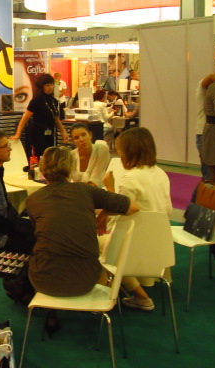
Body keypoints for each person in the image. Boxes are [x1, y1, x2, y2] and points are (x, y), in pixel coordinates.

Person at [26, 146, 139, 334]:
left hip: (42, 280)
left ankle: (48, 311)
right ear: (71, 168)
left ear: (43, 169)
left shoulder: (33, 199)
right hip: (86, 280)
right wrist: (105, 212)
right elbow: (133, 207)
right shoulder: (86, 191)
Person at [103, 127, 172, 311]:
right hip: (161, 241)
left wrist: (109, 189)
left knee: (96, 244)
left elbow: (120, 211)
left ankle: (132, 295)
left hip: (135, 243)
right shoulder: (161, 174)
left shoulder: (131, 179)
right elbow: (167, 210)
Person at [11, 74, 69, 157]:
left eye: (51, 84)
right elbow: (25, 118)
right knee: (40, 156)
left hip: (51, 132)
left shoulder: (54, 101)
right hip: (38, 133)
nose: (50, 87)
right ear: (42, 86)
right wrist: (18, 134)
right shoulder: (36, 101)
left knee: (51, 155)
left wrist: (63, 132)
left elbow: (56, 118)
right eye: (47, 85)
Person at [69, 122, 111, 187]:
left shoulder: (102, 150)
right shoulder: (71, 156)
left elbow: (94, 181)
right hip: (77, 191)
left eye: (83, 135)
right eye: (76, 138)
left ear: (90, 135)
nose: (81, 139)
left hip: (98, 191)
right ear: (73, 142)